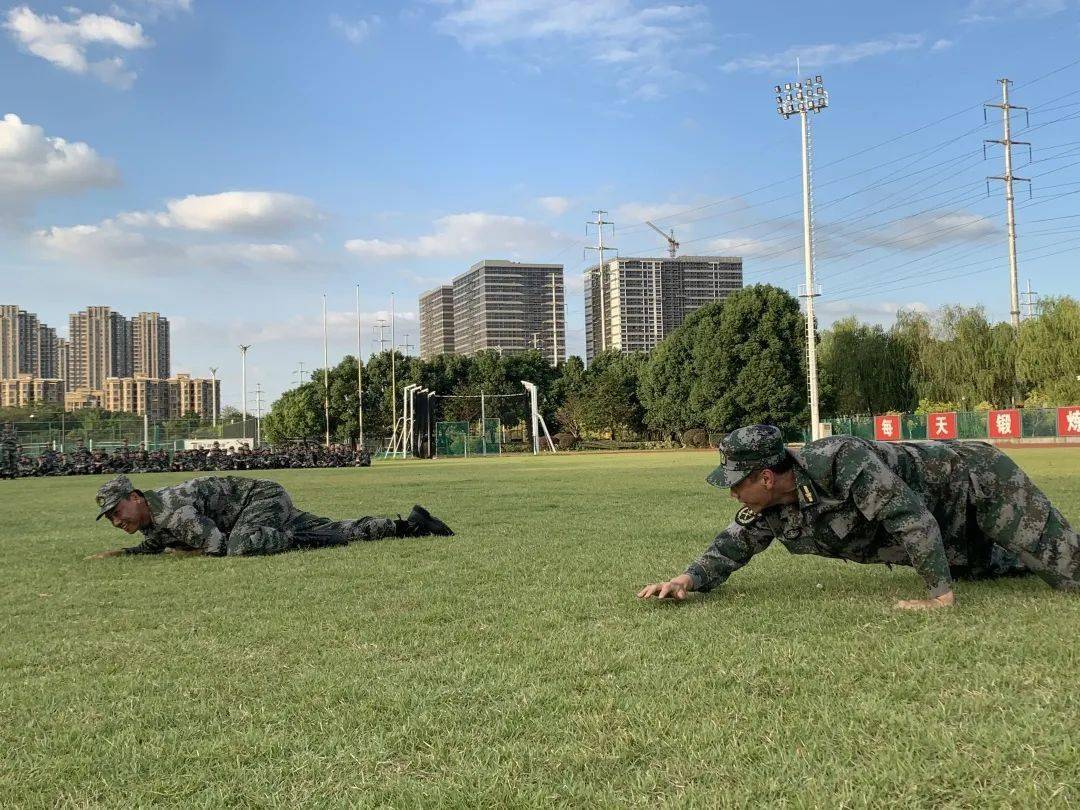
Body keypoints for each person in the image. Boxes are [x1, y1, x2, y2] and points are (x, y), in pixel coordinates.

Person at [638, 425, 1080, 610]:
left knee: (1068, 568)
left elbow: (910, 518)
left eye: (738, 482)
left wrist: (938, 597)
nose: (733, 492)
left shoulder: (840, 460)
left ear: (767, 476)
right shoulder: (772, 507)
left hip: (977, 478)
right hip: (945, 524)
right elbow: (732, 544)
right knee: (998, 567)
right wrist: (686, 580)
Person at [86, 474, 454, 559]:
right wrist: (121, 554)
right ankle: (410, 525)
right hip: (256, 507)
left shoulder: (174, 511)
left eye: (118, 511)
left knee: (243, 547)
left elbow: (218, 547)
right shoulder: (155, 516)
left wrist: (190, 551)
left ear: (135, 498)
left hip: (261, 498)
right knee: (335, 529)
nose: (118, 521)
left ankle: (300, 540)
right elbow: (156, 545)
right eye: (111, 519)